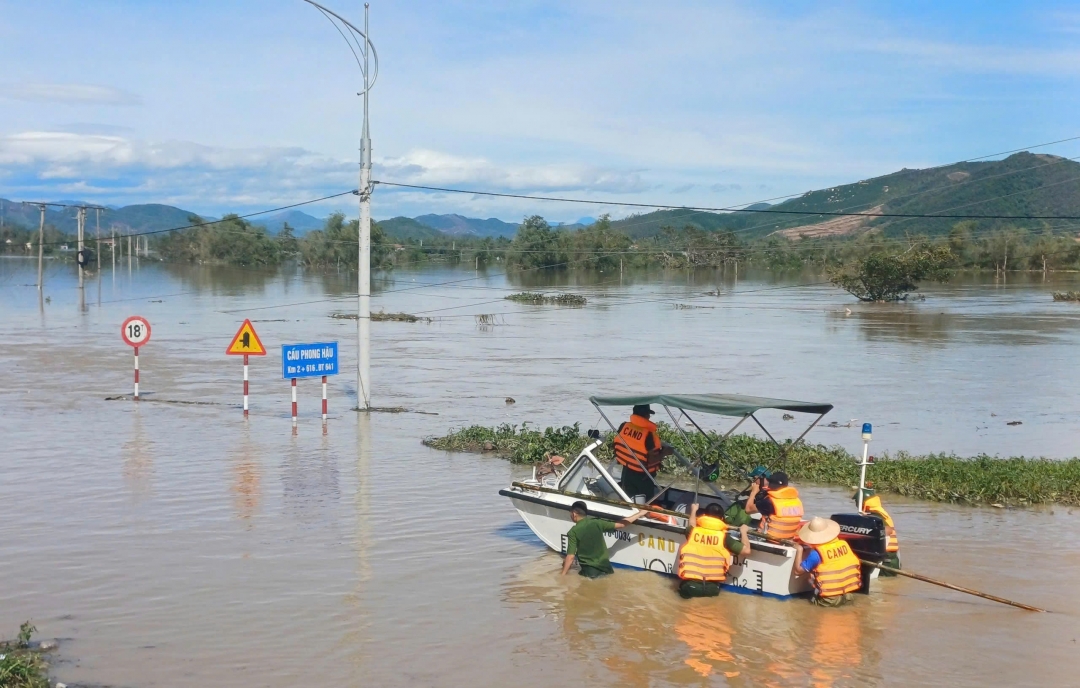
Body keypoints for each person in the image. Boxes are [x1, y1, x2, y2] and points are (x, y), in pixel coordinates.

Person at [676, 502, 752, 598]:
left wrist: (694, 510)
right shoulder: (724, 537)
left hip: (690, 586)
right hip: (712, 589)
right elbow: (746, 551)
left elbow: (691, 524)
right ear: (721, 519)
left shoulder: (692, 532)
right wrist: (743, 532)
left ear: (704, 515)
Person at [560, 501, 647, 578]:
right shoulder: (597, 523)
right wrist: (640, 514)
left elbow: (570, 557)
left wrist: (562, 575)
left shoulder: (573, 532)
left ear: (574, 514)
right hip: (606, 568)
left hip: (590, 572)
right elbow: (622, 524)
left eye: (570, 513)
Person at [794, 516, 862, 606]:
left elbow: (798, 571)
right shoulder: (844, 544)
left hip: (829, 600)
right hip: (848, 596)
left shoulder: (816, 554)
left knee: (809, 579)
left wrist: (799, 550)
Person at [613, 404, 672, 502]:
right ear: (646, 416)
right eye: (648, 414)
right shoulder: (648, 434)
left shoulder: (624, 426)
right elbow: (652, 459)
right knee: (646, 504)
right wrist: (665, 453)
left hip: (627, 471)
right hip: (643, 477)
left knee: (627, 500)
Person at [854, 485, 901, 573]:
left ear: (862, 502)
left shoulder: (876, 516)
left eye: (856, 501)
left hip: (885, 563)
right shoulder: (878, 513)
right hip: (890, 559)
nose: (856, 504)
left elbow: (887, 531)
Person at [745, 471, 804, 540]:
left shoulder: (770, 501)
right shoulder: (796, 500)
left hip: (770, 539)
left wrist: (753, 492)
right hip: (789, 538)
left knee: (739, 532)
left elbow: (748, 509)